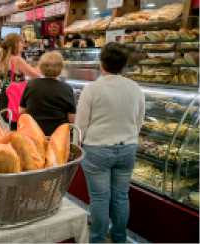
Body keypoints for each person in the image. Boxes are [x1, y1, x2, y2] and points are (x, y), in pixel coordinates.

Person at [75, 43, 145, 243]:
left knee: (99, 198)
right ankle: (119, 238)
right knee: (121, 196)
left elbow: (80, 125)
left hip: (97, 149)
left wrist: (77, 147)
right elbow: (139, 121)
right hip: (127, 148)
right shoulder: (135, 88)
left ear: (101, 63)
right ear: (123, 65)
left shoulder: (92, 89)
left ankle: (97, 240)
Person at [19, 52, 76, 136]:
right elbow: (72, 119)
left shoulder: (31, 84)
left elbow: (21, 111)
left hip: (33, 135)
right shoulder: (67, 89)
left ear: (41, 67)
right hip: (58, 136)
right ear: (61, 68)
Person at [0, 33, 41, 130]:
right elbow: (36, 75)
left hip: (4, 97)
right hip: (17, 99)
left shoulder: (0, 60)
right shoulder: (17, 60)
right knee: (18, 128)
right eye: (21, 42)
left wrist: (6, 87)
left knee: (6, 127)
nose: (23, 44)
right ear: (15, 44)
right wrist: (41, 65)